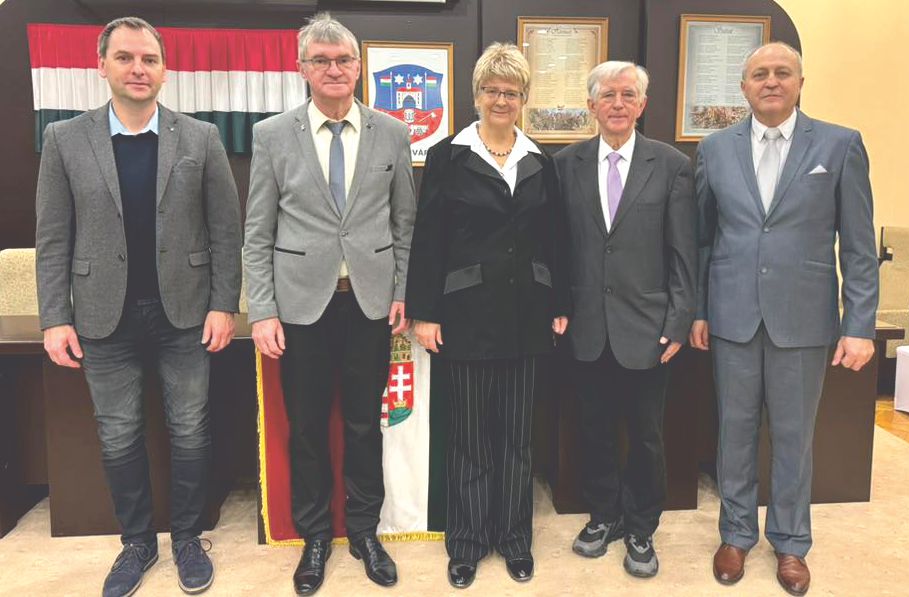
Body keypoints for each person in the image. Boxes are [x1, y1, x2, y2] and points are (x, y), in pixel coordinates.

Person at [35, 16, 241, 597]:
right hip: (102, 317)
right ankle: (137, 543)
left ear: (165, 70)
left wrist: (224, 304)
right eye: (125, 58)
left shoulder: (200, 138)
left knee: (190, 430)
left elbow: (227, 229)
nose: (138, 69)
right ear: (102, 65)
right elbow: (53, 237)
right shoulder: (64, 139)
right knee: (119, 434)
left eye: (149, 59)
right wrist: (55, 317)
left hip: (186, 313)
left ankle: (188, 539)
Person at [690, 42, 878, 595]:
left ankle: (792, 543)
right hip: (733, 316)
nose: (771, 81)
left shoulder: (840, 144)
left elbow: (859, 245)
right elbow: (703, 240)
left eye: (782, 73)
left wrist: (859, 324)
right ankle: (736, 534)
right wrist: (699, 311)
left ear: (800, 82)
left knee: (795, 437)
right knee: (735, 432)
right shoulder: (715, 149)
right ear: (743, 88)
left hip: (804, 319)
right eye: (759, 74)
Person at [243, 13, 415, 596]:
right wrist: (262, 309)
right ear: (302, 69)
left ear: (359, 67)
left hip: (369, 304)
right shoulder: (272, 135)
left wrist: (402, 290)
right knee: (308, 427)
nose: (333, 69)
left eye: (343, 60)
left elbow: (405, 222)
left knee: (365, 424)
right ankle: (315, 535)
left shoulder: (392, 132)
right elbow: (257, 232)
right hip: (300, 309)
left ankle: (364, 532)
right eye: (321, 60)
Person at [406, 42, 569, 589]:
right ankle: (468, 542)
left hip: (527, 315)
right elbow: (428, 238)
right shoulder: (447, 157)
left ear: (524, 99)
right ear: (476, 94)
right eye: (493, 90)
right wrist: (425, 313)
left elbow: (554, 238)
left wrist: (560, 304)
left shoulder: (540, 160)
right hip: (466, 315)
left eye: (512, 92)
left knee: (518, 438)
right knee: (471, 439)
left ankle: (515, 539)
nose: (502, 100)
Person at [554, 61, 697, 578]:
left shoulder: (672, 165)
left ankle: (641, 527)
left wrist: (679, 320)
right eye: (608, 95)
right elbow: (557, 245)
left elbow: (684, 251)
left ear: (642, 105)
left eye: (628, 95)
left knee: (646, 435)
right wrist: (557, 306)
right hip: (587, 326)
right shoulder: (564, 164)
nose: (618, 103)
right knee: (592, 428)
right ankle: (603, 515)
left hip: (648, 327)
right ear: (591, 105)